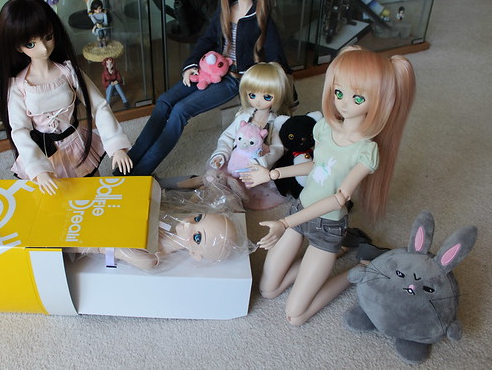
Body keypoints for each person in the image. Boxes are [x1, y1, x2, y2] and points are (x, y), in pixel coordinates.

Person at [240, 46, 416, 325]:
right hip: (302, 209)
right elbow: (316, 166)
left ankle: (357, 270)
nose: (344, 103)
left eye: (358, 98)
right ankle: (343, 249)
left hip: (328, 227)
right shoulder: (324, 128)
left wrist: (285, 223)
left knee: (295, 316)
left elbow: (338, 198)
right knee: (268, 289)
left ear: (381, 101)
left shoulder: (366, 151)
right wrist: (272, 174)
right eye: (338, 92)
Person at [120, 0, 289, 176]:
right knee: (165, 101)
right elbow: (207, 39)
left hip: (235, 79)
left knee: (181, 111)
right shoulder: (226, 9)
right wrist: (190, 66)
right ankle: (130, 161)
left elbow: (276, 58)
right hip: (210, 69)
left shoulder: (261, 17)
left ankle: (140, 172)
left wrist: (266, 83)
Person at [0, 0, 133, 195]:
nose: (44, 48)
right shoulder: (18, 86)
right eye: (31, 44)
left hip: (75, 143)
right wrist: (38, 169)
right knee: (57, 200)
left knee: (92, 192)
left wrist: (115, 145)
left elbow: (98, 106)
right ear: (18, 46)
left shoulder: (69, 72)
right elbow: (20, 130)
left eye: (48, 37)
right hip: (44, 153)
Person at [207, 62, 291, 209]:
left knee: (240, 194)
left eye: (267, 96)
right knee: (215, 178)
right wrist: (222, 153)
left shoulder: (275, 123)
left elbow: (277, 149)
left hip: (254, 170)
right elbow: (228, 137)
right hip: (234, 161)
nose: (258, 101)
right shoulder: (244, 116)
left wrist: (262, 161)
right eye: (252, 95)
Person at [71, 212, 238, 271]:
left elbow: (107, 247)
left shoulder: (150, 258)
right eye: (198, 218)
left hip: (80, 238)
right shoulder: (162, 220)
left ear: (195, 254)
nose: (188, 223)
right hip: (90, 216)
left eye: (197, 237)